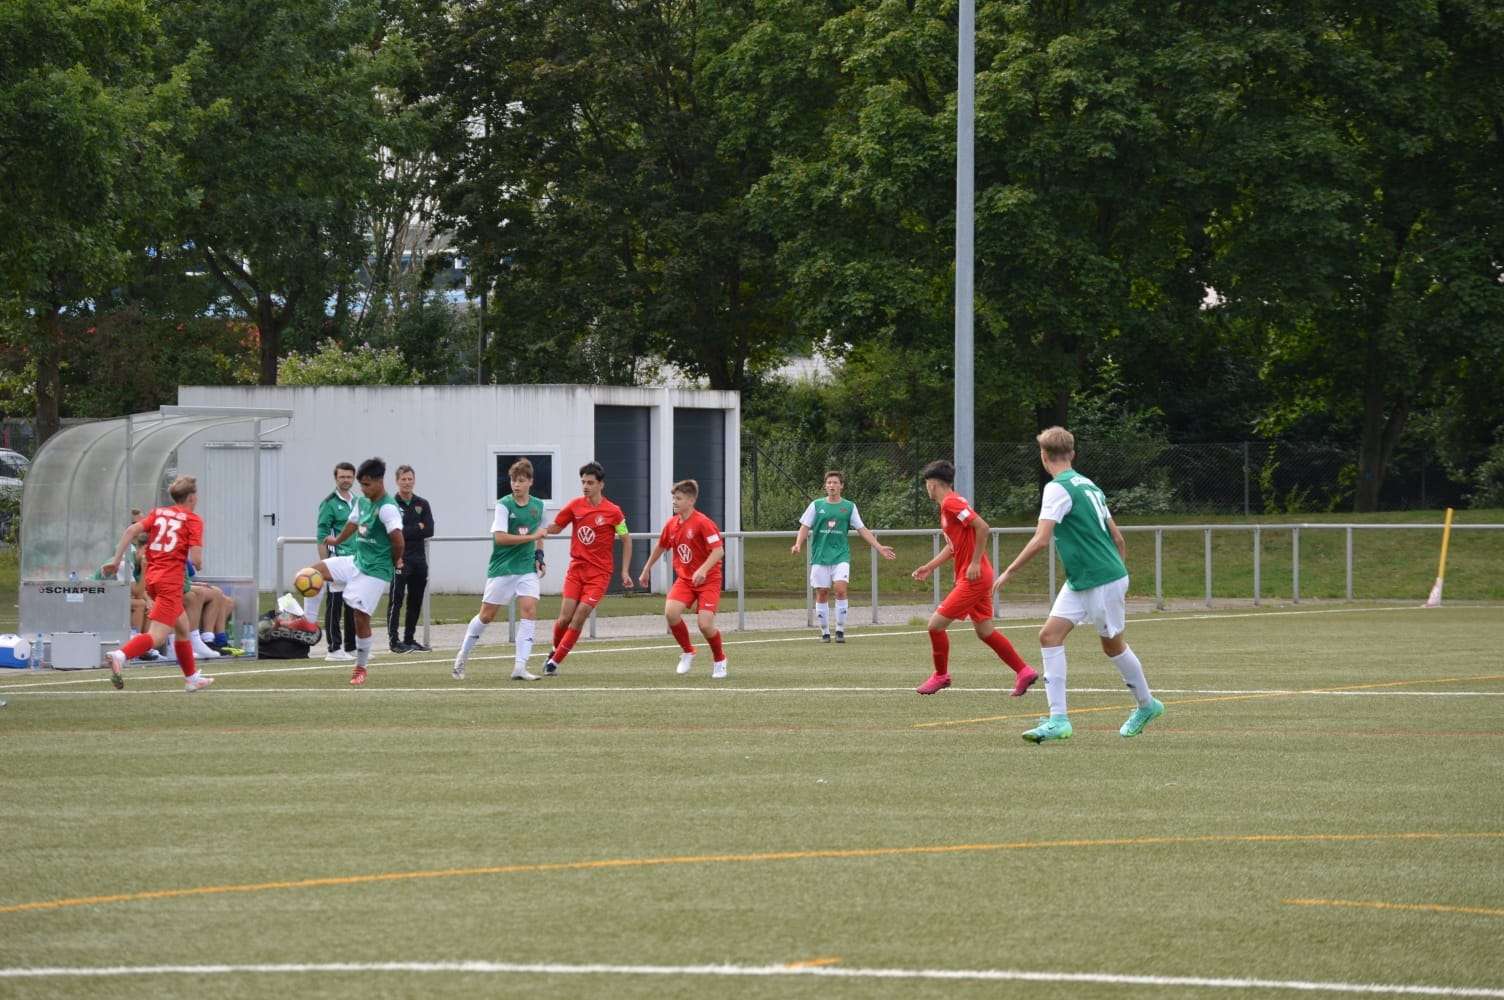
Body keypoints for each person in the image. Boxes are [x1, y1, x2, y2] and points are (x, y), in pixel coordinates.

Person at [994, 427, 1164, 743]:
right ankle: (1058, 720)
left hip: (1099, 579)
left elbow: (1041, 540)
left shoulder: (1057, 488)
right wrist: (1117, 573)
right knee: (1049, 636)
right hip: (1086, 579)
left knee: (1113, 645)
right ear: (1072, 454)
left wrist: (1008, 572)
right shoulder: (1089, 485)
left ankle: (1147, 705)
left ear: (1043, 456)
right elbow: (1118, 538)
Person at [909, 459, 1038, 697]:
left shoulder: (951, 502)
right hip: (975, 576)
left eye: (926, 484)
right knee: (985, 630)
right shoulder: (949, 505)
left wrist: (975, 562)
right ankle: (1024, 671)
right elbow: (953, 546)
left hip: (974, 577)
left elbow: (982, 527)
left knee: (935, 626)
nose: (926, 488)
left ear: (932, 484)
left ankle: (941, 676)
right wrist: (930, 567)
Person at [295, 457, 404, 686]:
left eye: (366, 484)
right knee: (311, 572)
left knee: (359, 616)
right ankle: (309, 623)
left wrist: (395, 561)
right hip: (356, 561)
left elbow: (398, 540)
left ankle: (360, 667)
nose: (362, 489)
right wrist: (337, 540)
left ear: (380, 482)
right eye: (361, 484)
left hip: (375, 571)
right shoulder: (362, 502)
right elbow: (352, 524)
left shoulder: (387, 508)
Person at [100, 475, 215, 692]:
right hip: (170, 582)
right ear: (192, 497)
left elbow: (130, 531)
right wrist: (196, 563)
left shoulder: (158, 513)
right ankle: (120, 656)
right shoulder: (193, 520)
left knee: (182, 628)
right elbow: (197, 561)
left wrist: (116, 561)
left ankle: (191, 679)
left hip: (153, 578)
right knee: (157, 636)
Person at [453, 458, 547, 682]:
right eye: (513, 480)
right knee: (486, 616)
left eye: (521, 481)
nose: (516, 485)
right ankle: (462, 656)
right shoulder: (503, 505)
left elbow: (541, 532)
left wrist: (539, 556)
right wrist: (531, 537)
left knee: (529, 610)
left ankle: (520, 667)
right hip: (503, 567)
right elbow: (500, 538)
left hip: (526, 568)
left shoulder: (539, 506)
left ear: (530, 482)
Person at [541, 461, 634, 675]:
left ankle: (554, 663)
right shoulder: (575, 506)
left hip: (599, 574)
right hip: (576, 570)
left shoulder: (613, 511)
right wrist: (537, 526)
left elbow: (626, 539)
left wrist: (625, 571)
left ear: (601, 485)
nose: (585, 486)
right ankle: (554, 650)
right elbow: (556, 528)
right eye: (583, 482)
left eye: (590, 483)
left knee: (580, 614)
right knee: (565, 617)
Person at [790, 470, 896, 643]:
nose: (832, 485)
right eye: (829, 483)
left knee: (840, 590)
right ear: (825, 486)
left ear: (841, 486)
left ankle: (840, 630)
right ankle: (825, 632)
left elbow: (861, 529)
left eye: (835, 482)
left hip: (841, 555)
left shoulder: (849, 507)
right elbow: (805, 526)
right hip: (820, 556)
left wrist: (879, 547)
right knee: (822, 592)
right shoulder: (816, 505)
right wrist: (798, 544)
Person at [638, 479, 728, 678]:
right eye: (674, 498)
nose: (674, 502)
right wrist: (646, 569)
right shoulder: (671, 524)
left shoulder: (703, 523)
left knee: (705, 625)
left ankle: (720, 659)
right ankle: (688, 651)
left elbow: (718, 551)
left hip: (709, 580)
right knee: (671, 613)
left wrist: (703, 570)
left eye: (678, 498)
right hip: (686, 580)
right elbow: (661, 546)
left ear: (691, 501)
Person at [387, 464, 435, 653]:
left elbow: (429, 530)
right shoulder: (391, 504)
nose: (407, 482)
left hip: (419, 560)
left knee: (415, 600)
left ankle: (409, 639)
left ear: (414, 480)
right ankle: (394, 641)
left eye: (410, 479)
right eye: (403, 479)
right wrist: (417, 528)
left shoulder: (422, 503)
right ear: (397, 481)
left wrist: (405, 530)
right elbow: (392, 532)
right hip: (400, 558)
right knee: (396, 599)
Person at [316, 461, 359, 662]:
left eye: (349, 477)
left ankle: (351, 646)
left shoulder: (358, 502)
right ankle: (333, 649)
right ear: (335, 478)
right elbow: (322, 536)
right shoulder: (329, 503)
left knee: (353, 604)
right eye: (342, 477)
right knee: (335, 604)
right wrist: (325, 564)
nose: (346, 480)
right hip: (337, 560)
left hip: (355, 560)